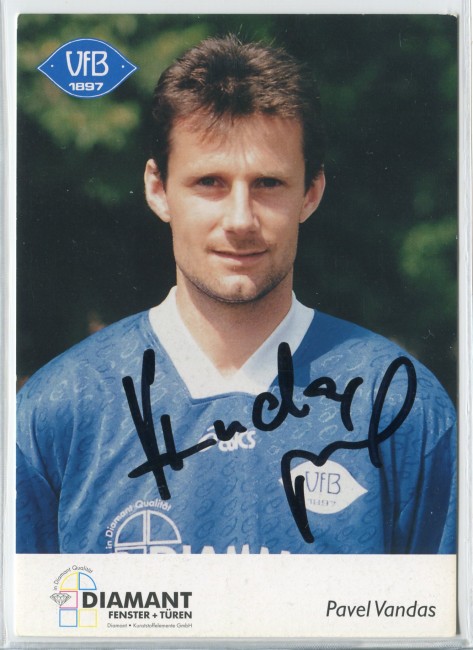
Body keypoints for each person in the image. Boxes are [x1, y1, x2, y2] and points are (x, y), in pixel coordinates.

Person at [16, 35, 456, 555]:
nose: (241, 220)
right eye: (210, 182)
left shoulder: (398, 404)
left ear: (311, 192)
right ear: (158, 189)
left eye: (268, 183)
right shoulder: (60, 407)